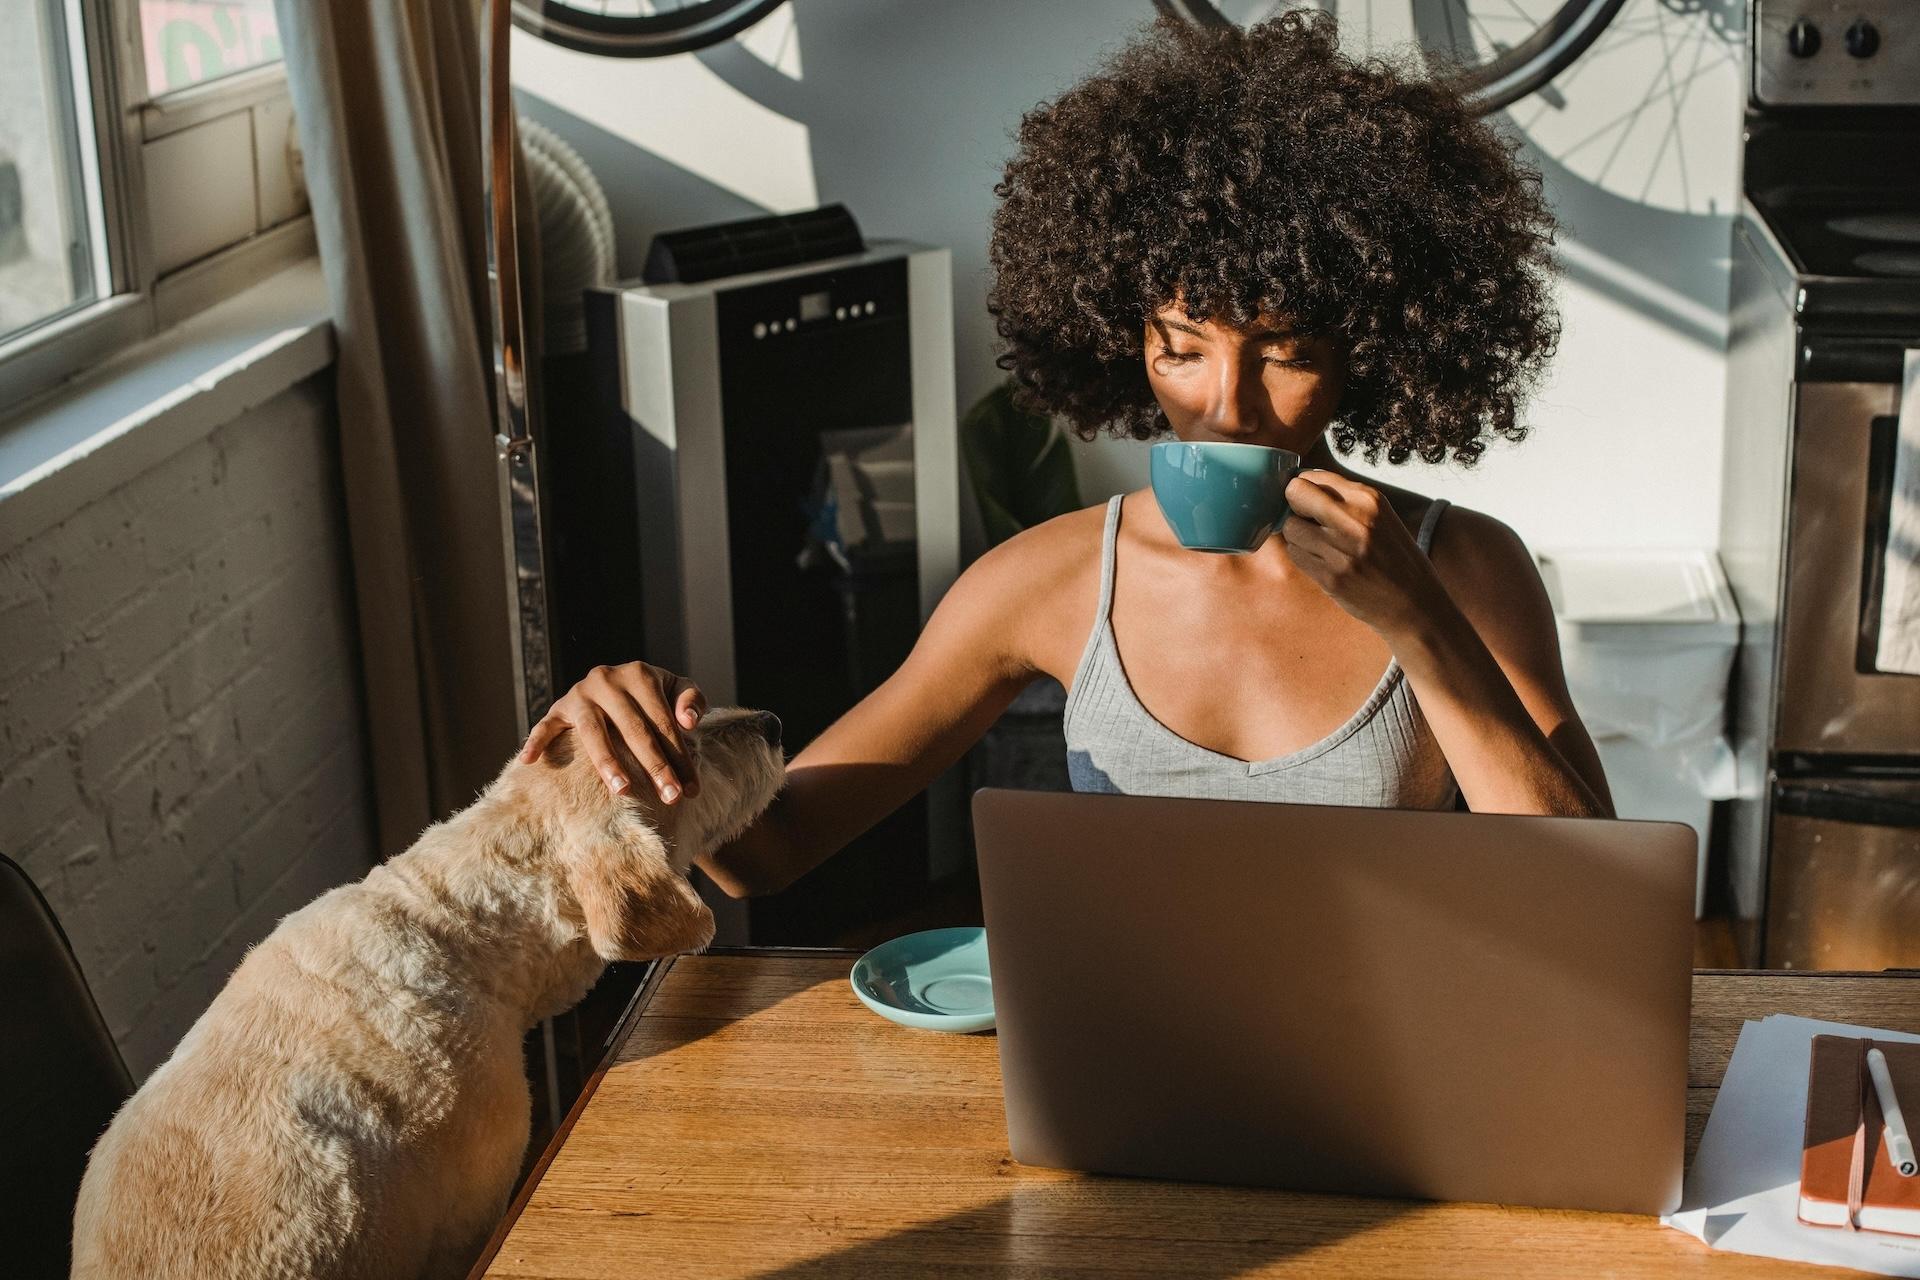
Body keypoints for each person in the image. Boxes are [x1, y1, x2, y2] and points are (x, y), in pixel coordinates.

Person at [519, 12, 1613, 899]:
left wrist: (1419, 621)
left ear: (1371, 353)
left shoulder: (1460, 567)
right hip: (1124, 1064)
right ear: (1121, 334)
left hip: (1396, 1060)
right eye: (1180, 349)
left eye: (1283, 352)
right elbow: (770, 849)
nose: (1224, 406)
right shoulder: (1042, 584)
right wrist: (649, 743)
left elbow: (1594, 894)